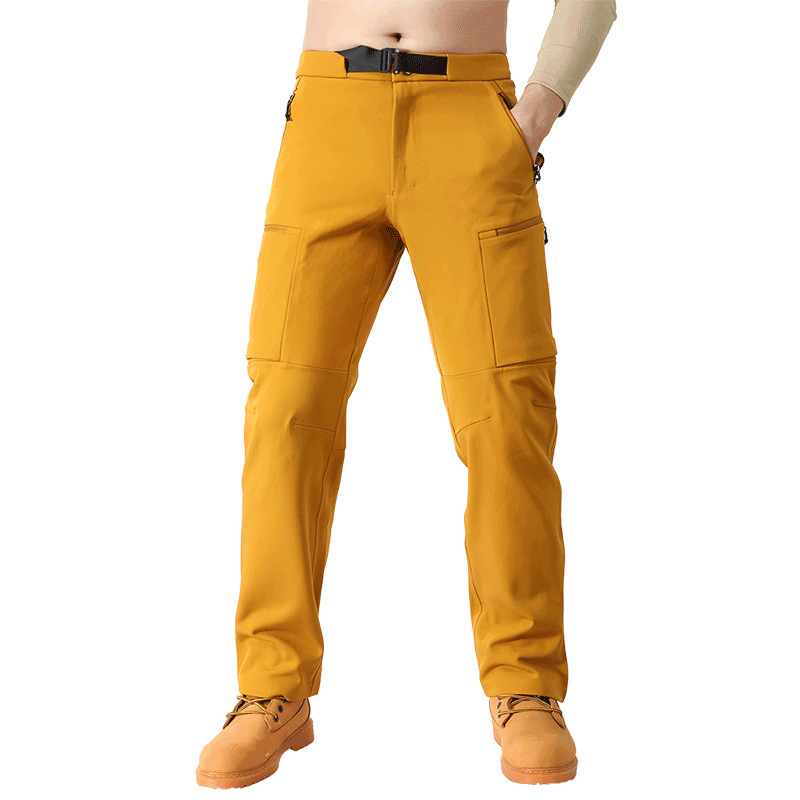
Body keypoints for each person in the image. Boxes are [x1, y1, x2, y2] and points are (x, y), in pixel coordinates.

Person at [196, 0, 616, 788]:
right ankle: (272, 687)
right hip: (329, 114)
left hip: (471, 116)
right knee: (286, 407)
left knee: (506, 410)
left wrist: (537, 109)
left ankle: (525, 684)